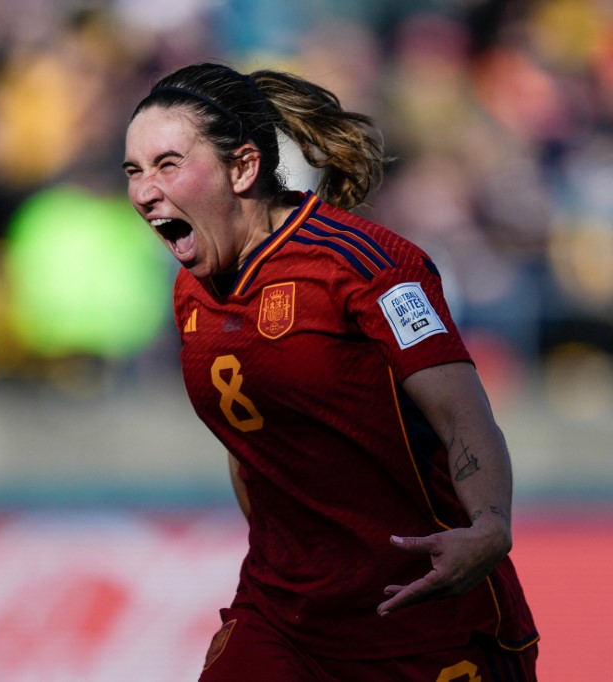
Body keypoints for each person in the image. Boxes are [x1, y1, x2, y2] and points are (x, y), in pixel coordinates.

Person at [122, 62, 539, 681]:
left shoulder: (368, 266)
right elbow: (253, 444)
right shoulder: (191, 294)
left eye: (167, 164)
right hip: (285, 619)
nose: (144, 190)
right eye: (133, 170)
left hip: (423, 619)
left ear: (243, 168)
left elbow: (463, 415)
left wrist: (490, 528)